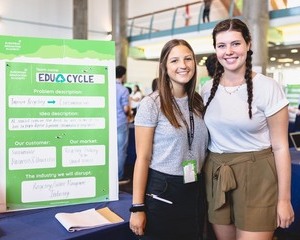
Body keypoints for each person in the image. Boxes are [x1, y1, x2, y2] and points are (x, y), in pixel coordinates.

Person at [201, 18, 294, 240]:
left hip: (258, 176)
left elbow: (281, 147)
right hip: (216, 174)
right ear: (215, 50)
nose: (229, 51)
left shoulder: (268, 87)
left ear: (248, 45)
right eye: (222, 46)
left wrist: (284, 200)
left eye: (236, 43)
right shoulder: (206, 89)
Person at [129, 39, 209, 240]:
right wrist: (137, 207)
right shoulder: (152, 104)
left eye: (188, 59)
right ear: (164, 66)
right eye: (174, 60)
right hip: (164, 188)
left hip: (195, 188)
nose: (183, 65)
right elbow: (143, 158)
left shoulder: (198, 102)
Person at [116, 65, 130, 183]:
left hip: (110, 123)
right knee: (121, 150)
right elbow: (125, 109)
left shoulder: (108, 88)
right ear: (123, 76)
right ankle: (119, 176)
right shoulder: (123, 90)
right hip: (120, 122)